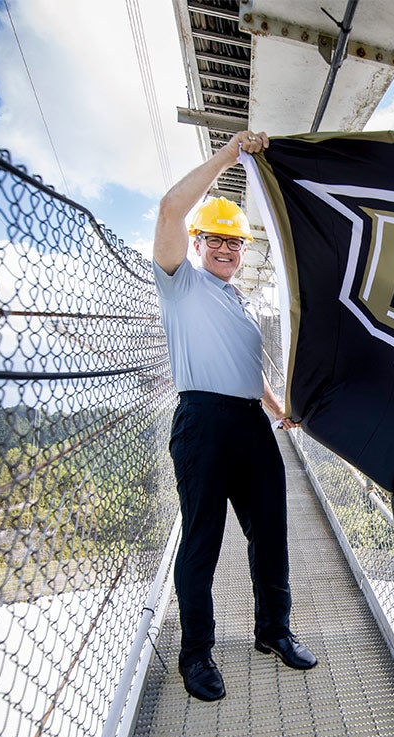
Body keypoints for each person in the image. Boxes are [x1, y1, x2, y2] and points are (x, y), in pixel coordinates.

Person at [152, 130, 316, 703]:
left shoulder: (240, 302)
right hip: (203, 422)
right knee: (203, 541)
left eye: (234, 242)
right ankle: (196, 654)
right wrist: (232, 155)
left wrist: (280, 411)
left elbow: (251, 370)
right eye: (215, 239)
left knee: (270, 532)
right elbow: (171, 207)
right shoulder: (181, 285)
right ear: (197, 243)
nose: (225, 248)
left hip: (251, 424)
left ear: (244, 251)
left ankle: (273, 631)